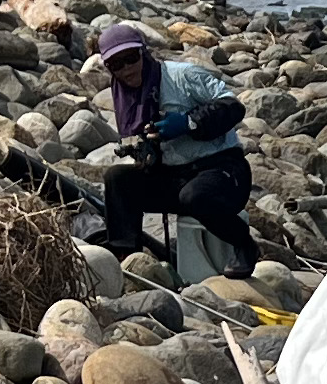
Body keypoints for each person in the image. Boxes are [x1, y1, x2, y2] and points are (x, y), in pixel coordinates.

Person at [88, 19, 252, 268]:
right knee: (117, 178)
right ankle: (126, 256)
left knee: (194, 196)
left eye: (131, 58)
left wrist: (189, 123)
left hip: (223, 171)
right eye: (116, 64)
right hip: (177, 176)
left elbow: (233, 106)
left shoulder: (182, 76)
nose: (127, 69)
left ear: (144, 52)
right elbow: (137, 140)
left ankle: (245, 245)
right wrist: (143, 150)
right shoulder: (126, 97)